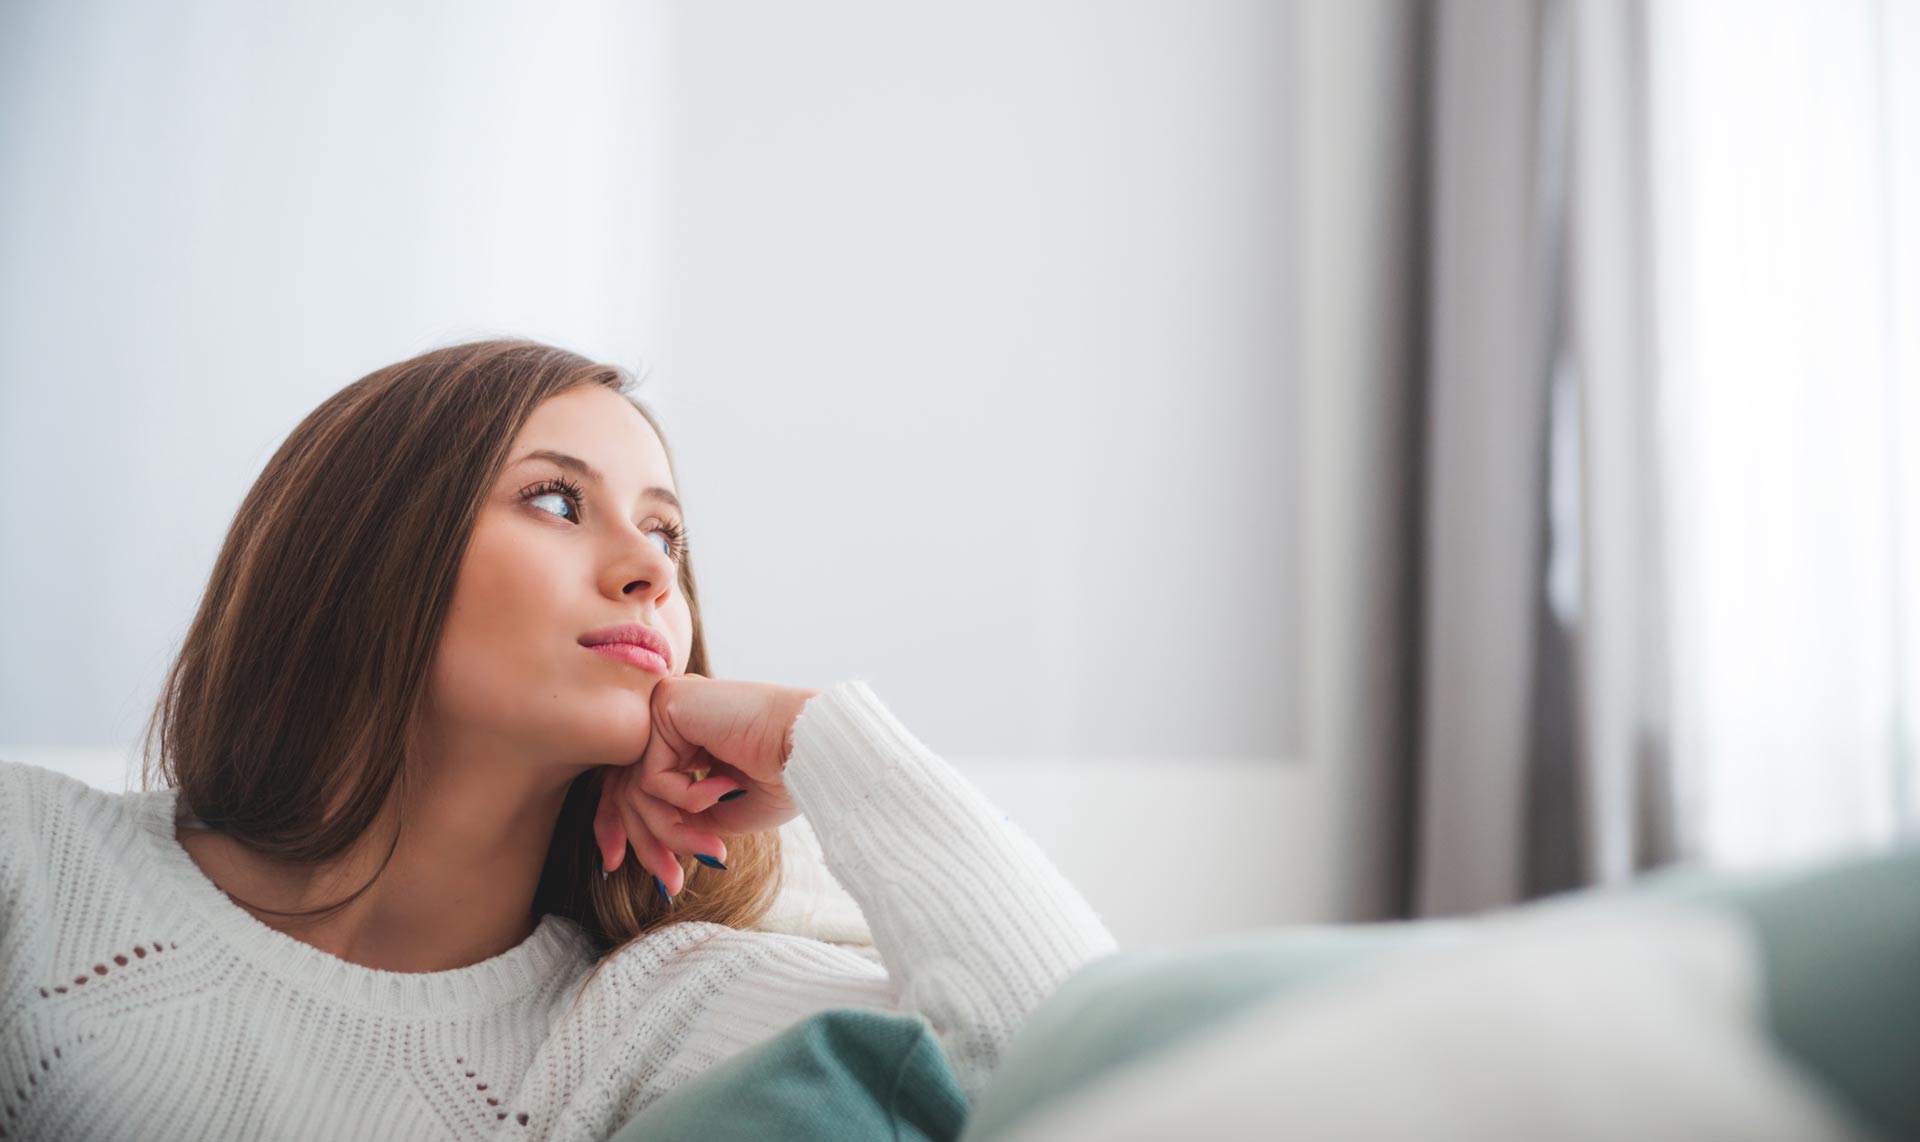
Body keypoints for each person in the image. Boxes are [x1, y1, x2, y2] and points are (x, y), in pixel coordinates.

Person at [0, 338, 1118, 1141]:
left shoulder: (643, 1014)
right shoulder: (33, 864)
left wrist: (817, 741)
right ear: (359, 554)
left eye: (667, 529)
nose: (650, 566)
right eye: (553, 499)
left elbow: (1099, 1076)